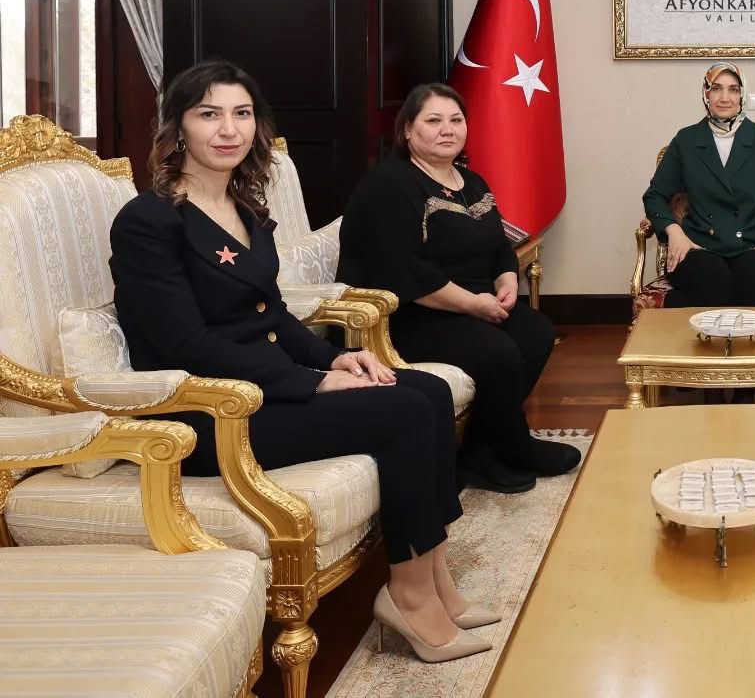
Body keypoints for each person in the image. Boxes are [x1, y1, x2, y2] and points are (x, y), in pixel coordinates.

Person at [110, 62, 493, 663]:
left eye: (241, 114)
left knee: (427, 390)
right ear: (178, 127)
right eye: (209, 114)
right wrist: (311, 382)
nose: (228, 129)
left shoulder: (244, 206)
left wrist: (340, 358)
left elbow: (274, 315)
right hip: (208, 412)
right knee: (404, 412)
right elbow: (185, 344)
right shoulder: (149, 221)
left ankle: (435, 578)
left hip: (267, 387)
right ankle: (411, 596)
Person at [338, 83, 577, 495]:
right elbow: (404, 271)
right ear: (407, 130)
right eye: (433, 120)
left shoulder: (471, 181)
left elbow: (498, 244)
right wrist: (473, 305)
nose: (447, 129)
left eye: (456, 120)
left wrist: (506, 279)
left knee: (536, 332)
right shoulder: (390, 185)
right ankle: (505, 445)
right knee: (499, 353)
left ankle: (487, 447)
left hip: (472, 304)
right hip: (408, 314)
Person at [643, 62, 755, 403]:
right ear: (705, 94)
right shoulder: (687, 140)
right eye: (716, 88)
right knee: (713, 276)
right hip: (699, 246)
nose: (724, 97)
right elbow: (655, 196)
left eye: (733, 89)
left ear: (742, 95)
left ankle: (748, 388)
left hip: (754, 245)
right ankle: (710, 387)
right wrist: (674, 231)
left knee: (752, 275)